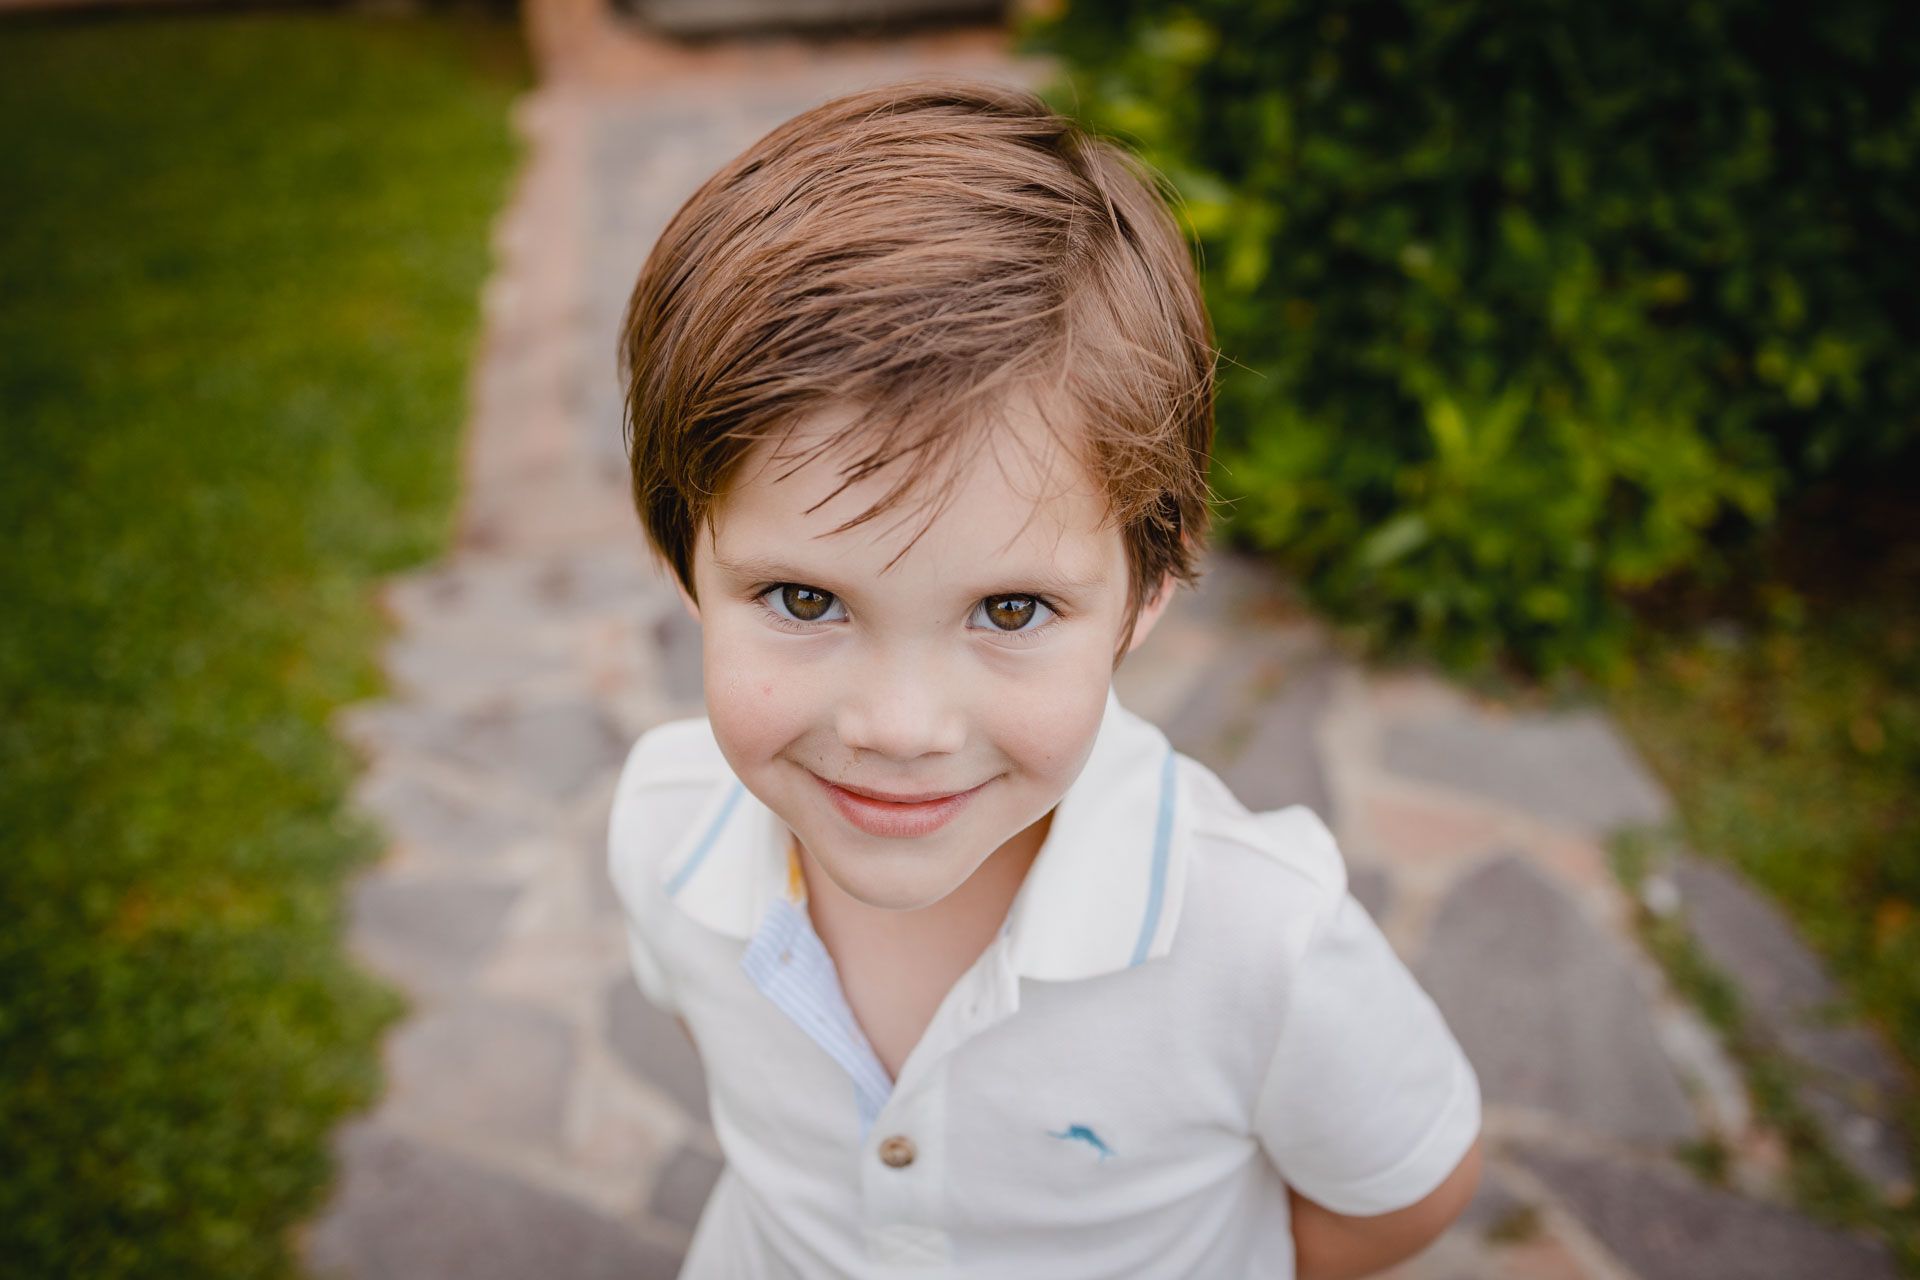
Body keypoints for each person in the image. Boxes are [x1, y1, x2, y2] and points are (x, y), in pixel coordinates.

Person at [608, 77, 1482, 1278]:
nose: (899, 726)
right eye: (805, 600)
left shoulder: (1256, 934)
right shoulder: (664, 825)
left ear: (1148, 588)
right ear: (682, 558)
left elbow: (1402, 1195)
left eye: (1009, 609)